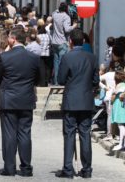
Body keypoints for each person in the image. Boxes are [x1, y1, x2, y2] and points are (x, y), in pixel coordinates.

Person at [0, 26, 40, 177]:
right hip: (26, 99)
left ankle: (10, 167)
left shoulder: (5, 57)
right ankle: (26, 168)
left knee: (9, 134)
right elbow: (38, 78)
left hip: (9, 99)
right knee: (25, 133)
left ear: (12, 39)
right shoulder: (33, 57)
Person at [55, 29, 99, 179]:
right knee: (85, 135)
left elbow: (60, 79)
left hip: (71, 100)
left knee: (69, 135)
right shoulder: (92, 58)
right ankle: (87, 169)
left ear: (71, 42)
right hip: (86, 100)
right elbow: (95, 81)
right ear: (84, 41)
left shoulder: (67, 57)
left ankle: (68, 169)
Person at [51, 3, 77, 85]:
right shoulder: (66, 17)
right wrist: (74, 26)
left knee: (56, 63)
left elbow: (54, 11)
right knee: (62, 63)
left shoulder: (55, 15)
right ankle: (60, 81)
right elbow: (67, 29)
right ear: (66, 9)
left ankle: (56, 81)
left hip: (54, 42)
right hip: (62, 41)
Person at [112, 71, 125, 151]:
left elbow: (114, 93)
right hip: (121, 107)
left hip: (120, 108)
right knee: (121, 125)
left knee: (121, 126)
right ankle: (122, 144)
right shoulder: (122, 85)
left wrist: (113, 91)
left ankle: (120, 144)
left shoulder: (120, 86)